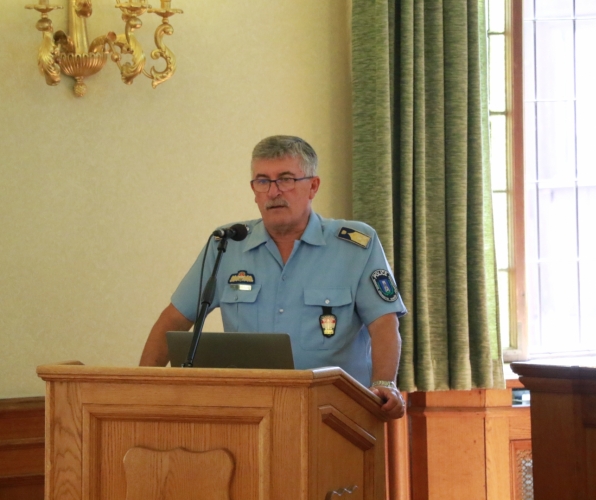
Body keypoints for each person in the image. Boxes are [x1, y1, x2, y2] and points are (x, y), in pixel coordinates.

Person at [140, 135, 407, 419]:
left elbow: (383, 323)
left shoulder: (355, 246)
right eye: (263, 181)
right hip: (249, 412)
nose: (273, 191)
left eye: (286, 179)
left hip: (335, 414)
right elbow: (173, 320)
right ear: (254, 190)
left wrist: (384, 383)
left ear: (313, 186)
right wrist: (139, 387)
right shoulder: (227, 245)